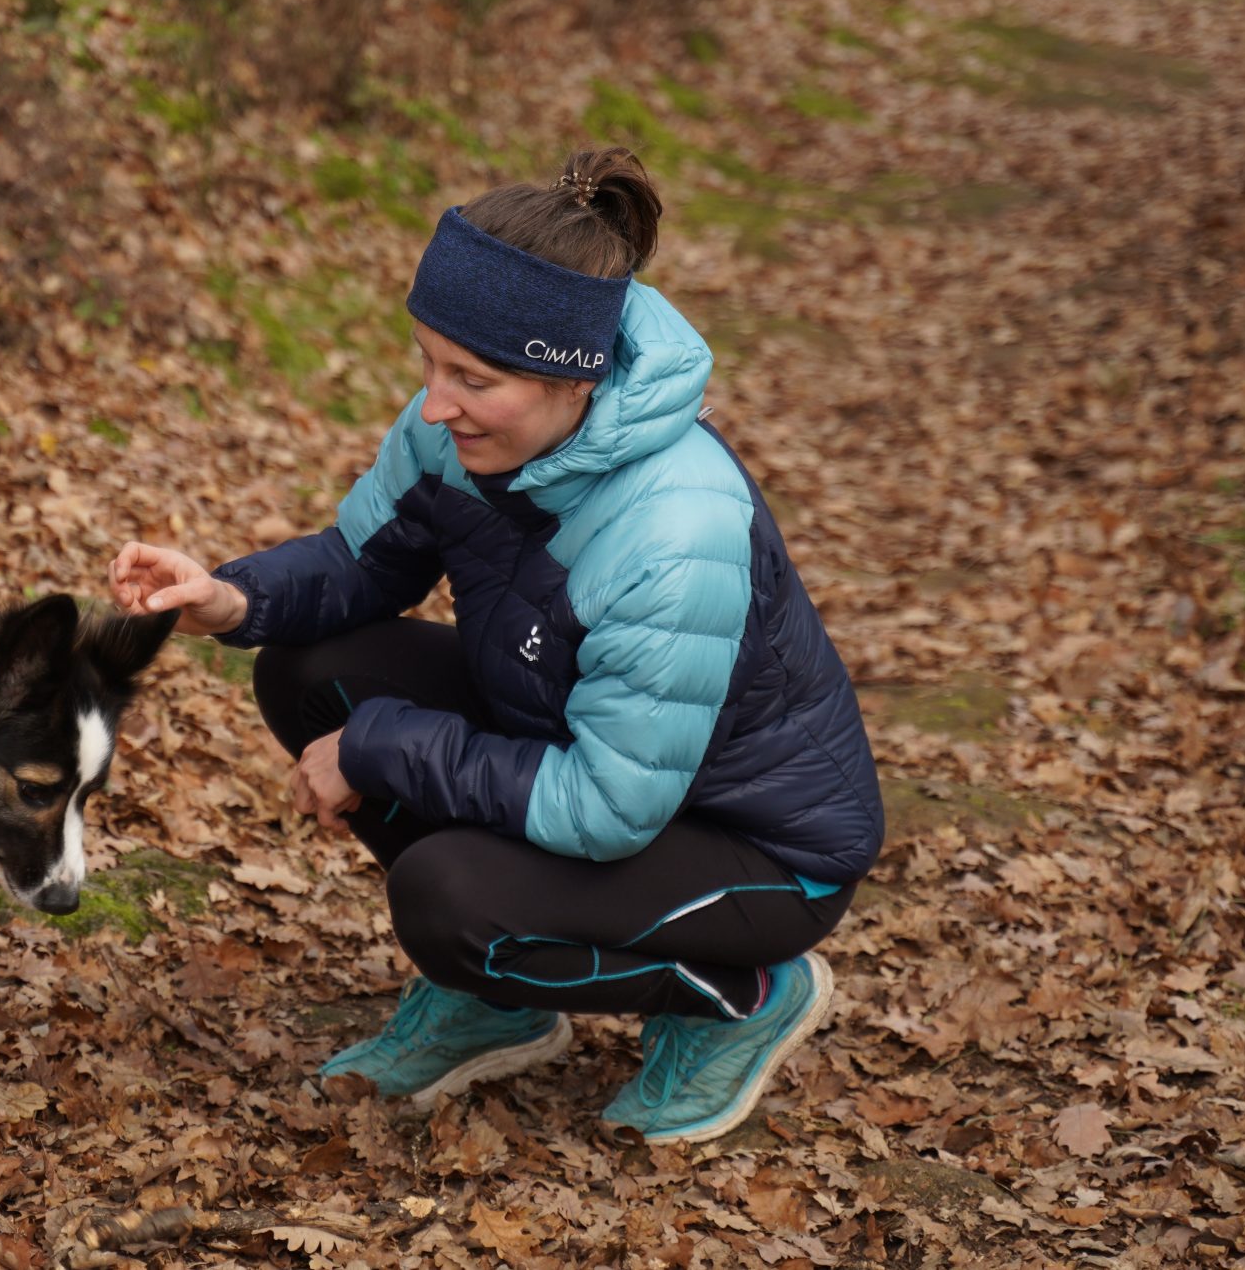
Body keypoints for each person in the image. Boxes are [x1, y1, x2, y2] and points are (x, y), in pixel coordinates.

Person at [107, 148, 883, 1145]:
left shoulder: (676, 534)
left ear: (574, 380)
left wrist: (377, 750)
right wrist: (225, 596)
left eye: (471, 378)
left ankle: (745, 995)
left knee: (448, 901)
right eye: (428, 364)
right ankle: (497, 998)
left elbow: (607, 808)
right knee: (310, 672)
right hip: (572, 739)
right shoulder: (466, 430)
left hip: (751, 847)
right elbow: (362, 561)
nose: (434, 403)